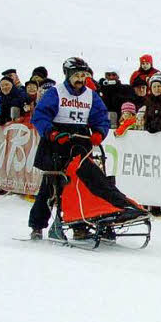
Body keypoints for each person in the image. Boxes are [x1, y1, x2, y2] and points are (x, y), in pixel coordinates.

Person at [28, 57, 111, 239]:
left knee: (80, 186)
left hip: (80, 142)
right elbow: (40, 116)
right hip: (57, 143)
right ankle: (37, 225)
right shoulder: (55, 93)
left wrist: (99, 132)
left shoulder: (91, 95)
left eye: (83, 75)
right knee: (51, 186)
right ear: (68, 75)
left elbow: (102, 117)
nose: (80, 79)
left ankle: (79, 225)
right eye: (77, 75)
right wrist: (51, 133)